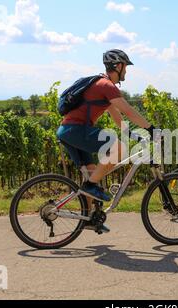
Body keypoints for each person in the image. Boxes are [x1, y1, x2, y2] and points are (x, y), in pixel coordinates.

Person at [57, 49, 155, 217]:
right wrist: (151, 129)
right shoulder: (106, 86)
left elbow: (116, 115)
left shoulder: (100, 85)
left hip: (68, 131)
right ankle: (90, 187)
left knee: (91, 173)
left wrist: (131, 133)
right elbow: (128, 111)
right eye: (125, 67)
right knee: (118, 148)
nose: (126, 71)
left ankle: (87, 217)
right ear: (117, 66)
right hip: (76, 130)